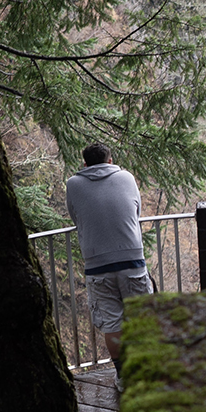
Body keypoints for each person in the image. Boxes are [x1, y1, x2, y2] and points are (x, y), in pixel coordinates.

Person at [66, 142, 152, 364]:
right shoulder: (127, 178)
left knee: (113, 325)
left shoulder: (73, 184)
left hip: (97, 264)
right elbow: (136, 212)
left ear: (84, 164)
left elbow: (77, 219)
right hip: (131, 259)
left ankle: (123, 376)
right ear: (110, 161)